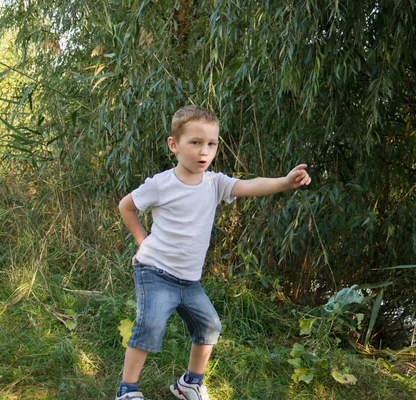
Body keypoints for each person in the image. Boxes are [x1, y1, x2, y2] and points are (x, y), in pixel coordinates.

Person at [116, 105, 311, 400]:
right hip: (155, 271)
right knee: (150, 325)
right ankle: (127, 389)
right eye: (195, 143)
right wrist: (142, 239)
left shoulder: (215, 183)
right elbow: (126, 206)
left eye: (211, 143)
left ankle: (189, 383)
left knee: (209, 326)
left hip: (189, 280)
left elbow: (249, 185)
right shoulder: (161, 184)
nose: (203, 151)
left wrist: (284, 182)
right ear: (174, 145)